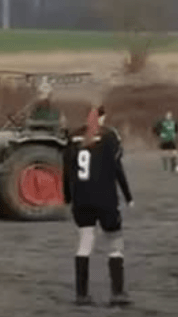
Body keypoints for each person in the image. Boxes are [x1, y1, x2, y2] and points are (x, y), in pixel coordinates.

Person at [63, 105, 134, 307]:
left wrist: (67, 197)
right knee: (114, 244)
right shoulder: (109, 136)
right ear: (102, 117)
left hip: (81, 199)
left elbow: (66, 170)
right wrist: (128, 196)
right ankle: (118, 293)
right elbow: (116, 168)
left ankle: (81, 295)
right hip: (105, 199)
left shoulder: (73, 137)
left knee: (85, 243)